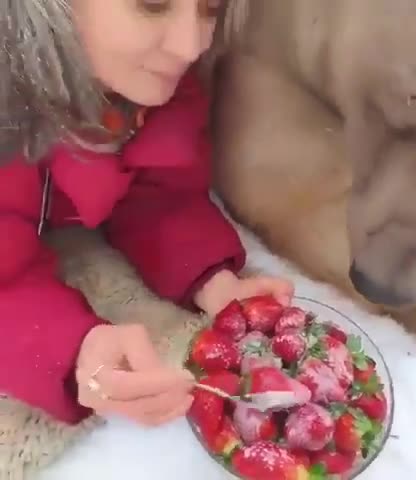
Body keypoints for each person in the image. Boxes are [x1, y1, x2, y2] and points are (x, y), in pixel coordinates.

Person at [0, 0, 293, 427]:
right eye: (152, 5)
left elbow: (159, 194)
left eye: (210, 9)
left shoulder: (145, 86)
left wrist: (211, 279)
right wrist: (68, 349)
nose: (191, 46)